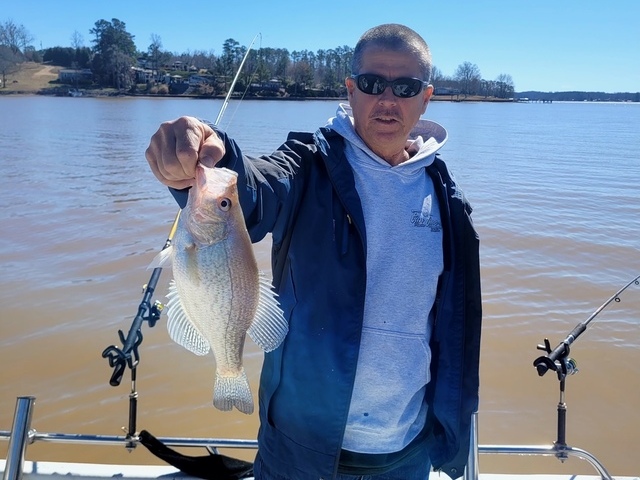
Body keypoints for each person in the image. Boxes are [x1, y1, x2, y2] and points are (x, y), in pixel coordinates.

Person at [145, 23, 482, 480]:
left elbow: (453, 329)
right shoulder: (307, 166)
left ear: (426, 98)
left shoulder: (447, 197)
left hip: (409, 450)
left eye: (405, 86)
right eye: (371, 83)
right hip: (301, 450)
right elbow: (258, 191)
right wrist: (207, 158)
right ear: (350, 90)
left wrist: (449, 430)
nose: (387, 99)